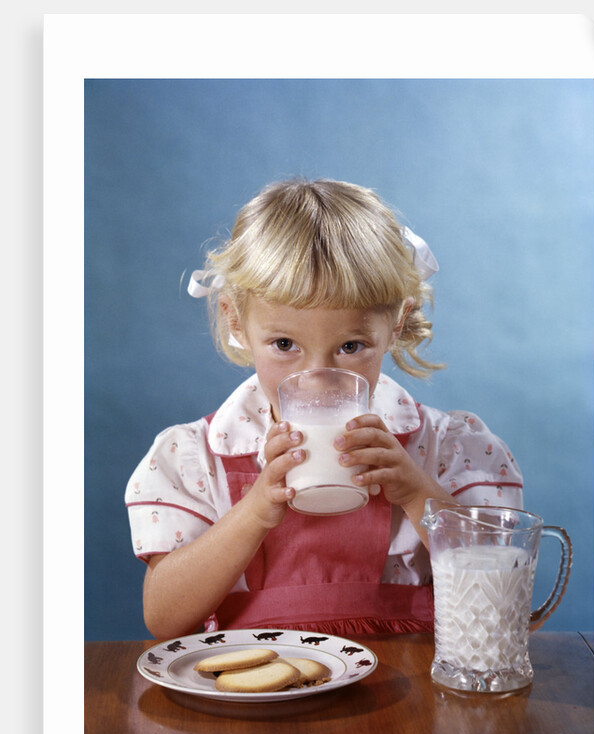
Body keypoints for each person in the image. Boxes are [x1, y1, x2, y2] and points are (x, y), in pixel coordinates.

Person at [125, 178, 523, 640]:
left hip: (411, 697)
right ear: (236, 319)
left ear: (395, 326)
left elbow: (502, 606)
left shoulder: (447, 448)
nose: (318, 377)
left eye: (350, 346)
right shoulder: (197, 457)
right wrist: (254, 512)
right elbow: (164, 619)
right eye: (285, 344)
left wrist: (417, 495)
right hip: (259, 697)